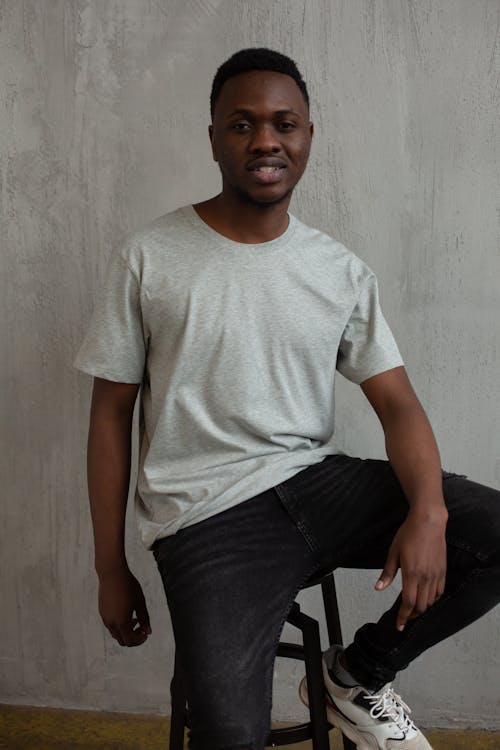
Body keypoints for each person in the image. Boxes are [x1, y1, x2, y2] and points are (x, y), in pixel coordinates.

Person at [75, 48, 500, 750]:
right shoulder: (149, 258)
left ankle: (356, 675)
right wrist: (109, 566)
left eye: (285, 123)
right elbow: (110, 415)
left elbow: (397, 403)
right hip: (206, 518)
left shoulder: (336, 270)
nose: (266, 140)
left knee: (489, 533)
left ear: (307, 137)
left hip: (316, 487)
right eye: (242, 125)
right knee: (231, 736)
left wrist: (428, 511)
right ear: (213, 137)